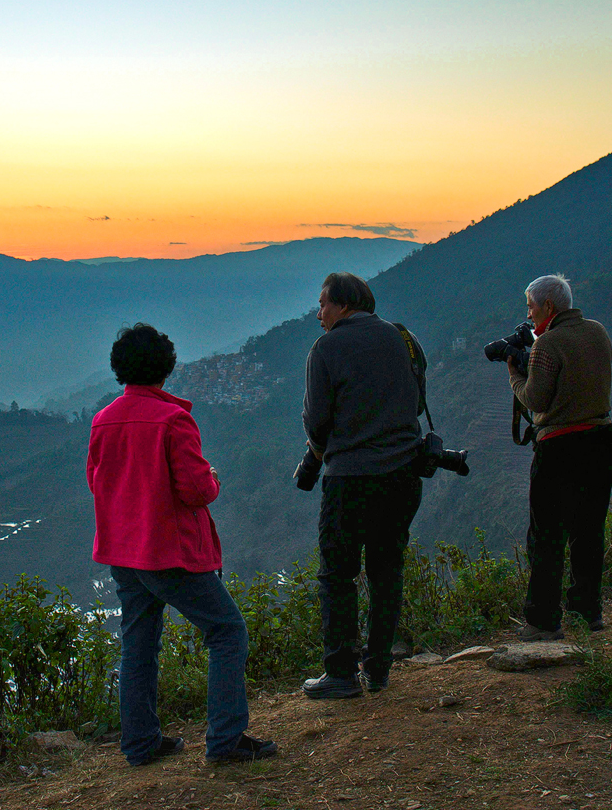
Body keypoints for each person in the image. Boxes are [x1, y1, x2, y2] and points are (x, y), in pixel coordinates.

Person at [87, 323, 277, 765]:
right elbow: (195, 490)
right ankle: (225, 740)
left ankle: (140, 744)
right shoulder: (173, 420)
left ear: (120, 368)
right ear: (166, 368)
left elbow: (98, 482)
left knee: (138, 645)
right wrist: (212, 479)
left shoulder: (103, 420)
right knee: (227, 631)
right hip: (167, 552)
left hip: (124, 552)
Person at [299, 273, 425, 700]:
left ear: (344, 304)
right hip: (403, 475)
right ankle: (379, 668)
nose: (318, 314)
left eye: (322, 304)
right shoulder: (402, 338)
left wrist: (320, 452)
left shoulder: (326, 348)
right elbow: (417, 401)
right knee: (387, 572)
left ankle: (340, 673)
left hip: (351, 479)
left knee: (338, 575)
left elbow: (317, 422)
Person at [504, 274, 612, 641]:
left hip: (561, 446)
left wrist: (514, 375)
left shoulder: (548, 345)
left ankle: (543, 620)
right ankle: (588, 613)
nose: (529, 314)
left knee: (547, 535)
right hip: (601, 439)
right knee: (589, 529)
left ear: (548, 307)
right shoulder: (597, 332)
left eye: (531, 307)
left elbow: (535, 399)